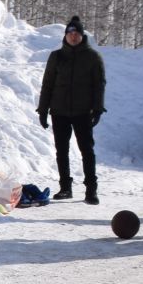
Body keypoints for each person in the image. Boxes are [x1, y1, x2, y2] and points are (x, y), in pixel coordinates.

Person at [36, 15, 107, 204]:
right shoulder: (56, 56)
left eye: (77, 33)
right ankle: (65, 187)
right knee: (62, 151)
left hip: (83, 112)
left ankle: (91, 190)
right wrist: (43, 110)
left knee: (87, 151)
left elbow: (99, 85)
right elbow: (47, 84)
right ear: (65, 36)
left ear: (82, 36)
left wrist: (97, 109)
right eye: (70, 33)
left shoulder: (93, 57)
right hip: (59, 111)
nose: (73, 36)